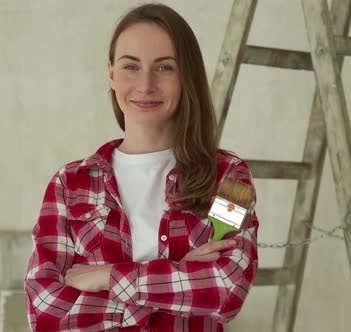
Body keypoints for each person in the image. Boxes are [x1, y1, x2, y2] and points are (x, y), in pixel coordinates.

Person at [24, 3, 259, 331]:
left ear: (186, 75)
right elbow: (45, 311)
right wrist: (172, 280)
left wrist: (107, 276)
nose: (145, 84)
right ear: (111, 73)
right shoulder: (70, 184)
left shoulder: (230, 178)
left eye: (164, 68)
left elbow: (226, 289)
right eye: (130, 67)